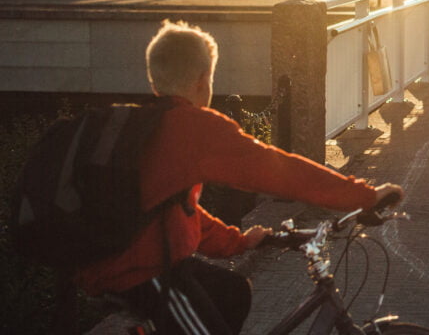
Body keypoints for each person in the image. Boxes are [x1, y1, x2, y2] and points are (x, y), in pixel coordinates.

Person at [75, 20, 405, 335]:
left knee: (233, 292)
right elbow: (278, 170)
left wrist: (238, 242)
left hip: (126, 260)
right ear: (204, 79)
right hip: (141, 271)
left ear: (154, 81)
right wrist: (364, 196)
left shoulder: (149, 125)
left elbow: (174, 212)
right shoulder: (193, 128)